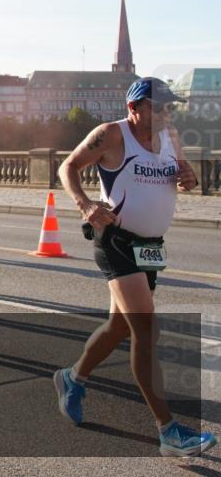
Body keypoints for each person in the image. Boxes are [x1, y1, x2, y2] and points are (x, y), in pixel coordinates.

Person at [54, 77, 216, 457]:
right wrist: (86, 205)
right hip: (116, 242)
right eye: (158, 107)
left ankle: (72, 378)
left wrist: (188, 177)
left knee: (119, 326)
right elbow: (68, 167)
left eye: (168, 107)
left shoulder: (170, 135)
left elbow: (182, 173)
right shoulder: (111, 135)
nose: (165, 113)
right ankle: (169, 431)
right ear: (135, 108)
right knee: (146, 328)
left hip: (150, 248)